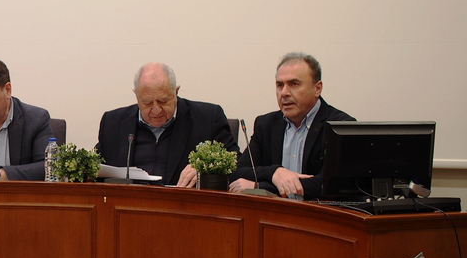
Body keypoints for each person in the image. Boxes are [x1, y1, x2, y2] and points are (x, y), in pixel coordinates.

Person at [229, 53, 355, 199]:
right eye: (280, 85)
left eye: (294, 84)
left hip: (318, 211)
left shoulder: (340, 127)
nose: (284, 93)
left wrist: (261, 187)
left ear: (317, 88)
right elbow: (237, 171)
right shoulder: (266, 125)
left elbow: (332, 184)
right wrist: (275, 172)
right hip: (274, 211)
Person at [96, 62, 239, 187]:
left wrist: (206, 169)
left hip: (184, 204)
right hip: (128, 204)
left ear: (176, 92)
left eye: (163, 101)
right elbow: (95, 167)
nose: (156, 110)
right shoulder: (113, 123)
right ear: (136, 96)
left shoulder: (208, 119)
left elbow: (237, 164)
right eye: (147, 102)